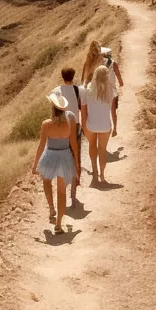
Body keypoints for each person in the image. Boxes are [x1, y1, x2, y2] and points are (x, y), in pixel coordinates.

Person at [30, 91, 80, 234]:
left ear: (52, 108)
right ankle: (58, 224)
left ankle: (51, 208)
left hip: (50, 156)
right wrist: (76, 163)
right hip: (64, 156)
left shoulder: (46, 124)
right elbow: (73, 144)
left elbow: (41, 145)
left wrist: (35, 164)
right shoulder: (69, 123)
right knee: (62, 193)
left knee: (46, 181)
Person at [51, 67, 84, 204]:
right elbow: (82, 109)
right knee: (76, 156)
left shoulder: (55, 91)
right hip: (75, 126)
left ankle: (63, 188)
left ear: (62, 76)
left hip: (61, 127)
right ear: (73, 75)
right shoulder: (79, 90)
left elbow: (53, 114)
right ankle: (74, 192)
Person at [80, 40, 124, 136]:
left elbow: (83, 78)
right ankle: (114, 128)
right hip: (110, 90)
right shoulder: (110, 62)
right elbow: (120, 79)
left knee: (94, 110)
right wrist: (121, 85)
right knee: (112, 110)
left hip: (93, 90)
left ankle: (92, 128)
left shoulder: (87, 62)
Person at [81, 65, 114, 185]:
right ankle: (102, 176)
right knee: (102, 150)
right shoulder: (111, 90)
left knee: (92, 146)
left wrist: (83, 125)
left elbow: (83, 110)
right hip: (105, 125)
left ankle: (94, 173)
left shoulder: (87, 89)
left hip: (91, 124)